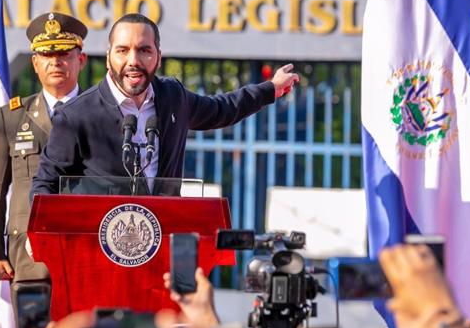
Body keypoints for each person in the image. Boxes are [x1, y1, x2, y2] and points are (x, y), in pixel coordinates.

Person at [30, 13, 299, 196]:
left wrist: (270, 89)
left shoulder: (173, 97)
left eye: (144, 50)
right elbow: (45, 184)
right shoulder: (75, 115)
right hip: (100, 254)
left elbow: (222, 109)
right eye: (123, 50)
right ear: (108, 56)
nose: (133, 60)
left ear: (158, 57)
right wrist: (42, 238)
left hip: (163, 246)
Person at [0, 11, 88, 298]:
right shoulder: (12, 118)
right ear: (35, 63)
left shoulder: (102, 115)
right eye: (47, 55)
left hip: (86, 256)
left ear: (81, 59)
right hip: (29, 258)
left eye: (64, 53)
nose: (56, 62)